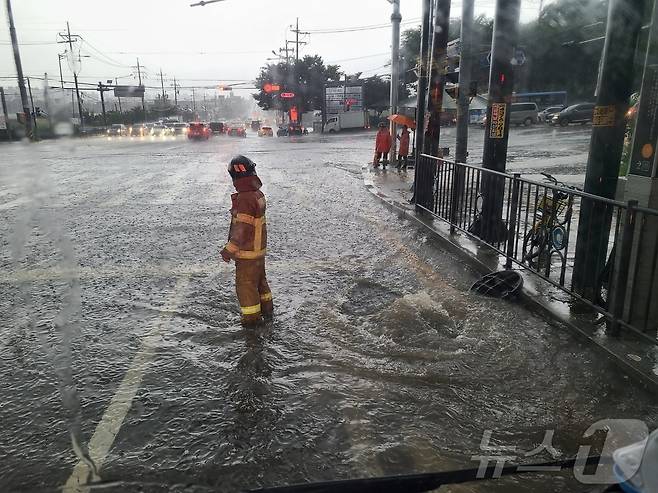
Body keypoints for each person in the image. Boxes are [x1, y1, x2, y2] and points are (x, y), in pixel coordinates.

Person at [220, 155, 273, 325]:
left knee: (246, 286)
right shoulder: (257, 194)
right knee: (260, 283)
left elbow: (242, 230)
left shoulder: (245, 199)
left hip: (247, 253)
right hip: (258, 252)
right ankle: (268, 311)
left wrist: (229, 249)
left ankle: (252, 324)